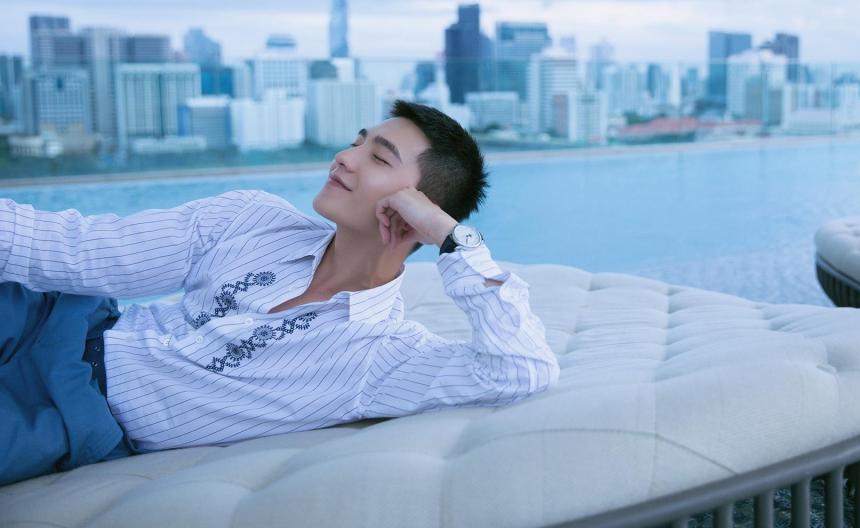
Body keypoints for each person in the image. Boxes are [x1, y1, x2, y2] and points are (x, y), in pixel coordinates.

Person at [0, 99, 560, 485]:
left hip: (66, 417)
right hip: (51, 322)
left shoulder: (378, 355)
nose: (345, 157)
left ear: (418, 210)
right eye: (356, 142)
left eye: (377, 157)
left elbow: (520, 369)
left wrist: (454, 238)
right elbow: (79, 249)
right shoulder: (252, 218)